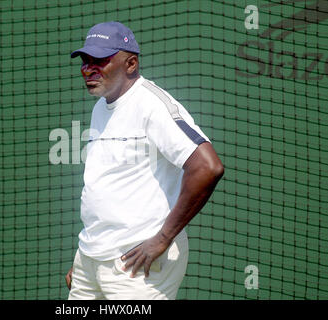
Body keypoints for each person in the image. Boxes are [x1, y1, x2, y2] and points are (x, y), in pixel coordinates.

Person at [65, 21, 224, 300]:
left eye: (100, 60)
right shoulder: (101, 107)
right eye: (85, 61)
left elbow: (207, 167)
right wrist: (87, 260)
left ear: (131, 64)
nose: (88, 69)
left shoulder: (153, 105)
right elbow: (107, 187)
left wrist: (162, 239)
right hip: (91, 259)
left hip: (136, 265)